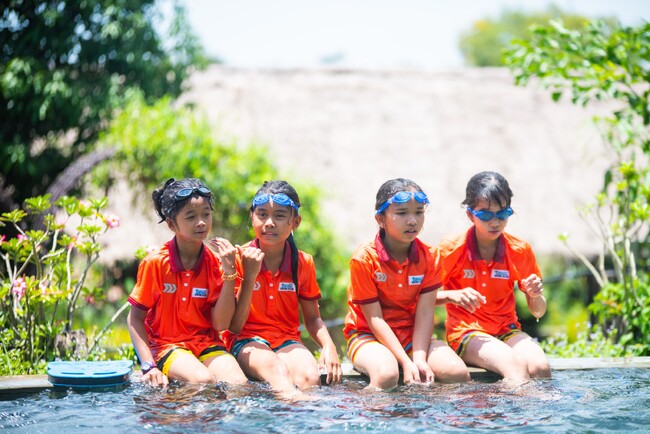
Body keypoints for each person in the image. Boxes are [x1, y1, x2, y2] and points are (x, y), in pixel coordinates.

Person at [343, 178, 470, 390]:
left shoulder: (431, 256)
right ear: (380, 219)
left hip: (411, 335)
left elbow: (425, 312)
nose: (412, 221)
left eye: (419, 212)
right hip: (368, 335)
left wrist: (419, 359)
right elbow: (374, 318)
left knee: (456, 373)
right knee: (387, 375)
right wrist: (405, 361)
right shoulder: (364, 259)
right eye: (401, 213)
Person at [223, 180, 342, 395]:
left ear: (295, 222)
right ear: (252, 217)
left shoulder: (303, 263)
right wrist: (249, 277)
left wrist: (328, 346)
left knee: (310, 377)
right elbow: (234, 327)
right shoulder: (238, 258)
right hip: (245, 340)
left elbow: (313, 319)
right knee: (277, 371)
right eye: (262, 214)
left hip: (287, 340)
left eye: (279, 216)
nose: (269, 223)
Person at [127, 178, 248, 387]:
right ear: (171, 224)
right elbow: (135, 319)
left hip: (206, 344)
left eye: (206, 214)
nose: (201, 222)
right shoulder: (155, 263)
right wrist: (148, 366)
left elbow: (220, 325)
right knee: (202, 381)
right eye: (191, 216)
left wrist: (230, 273)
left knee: (239, 383)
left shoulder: (215, 263)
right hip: (166, 346)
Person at [433, 171, 551, 381]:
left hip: (507, 330)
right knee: (515, 366)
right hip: (466, 332)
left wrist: (535, 295)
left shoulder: (519, 249)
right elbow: (420, 298)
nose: (495, 222)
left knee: (540, 367)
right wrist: (451, 295)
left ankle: (530, 405)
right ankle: (508, 404)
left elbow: (538, 311)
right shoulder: (450, 249)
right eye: (486, 215)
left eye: (503, 213)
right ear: (470, 215)